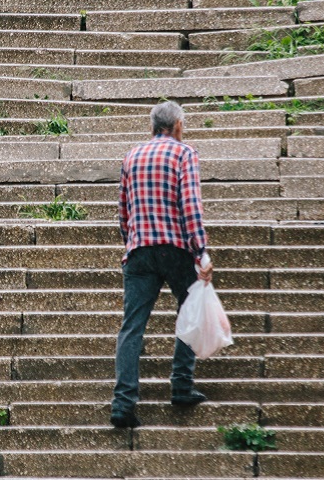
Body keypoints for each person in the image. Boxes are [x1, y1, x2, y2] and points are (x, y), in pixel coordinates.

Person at [111, 100, 213, 429]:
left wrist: (133, 241)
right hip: (175, 248)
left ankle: (123, 404)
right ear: (178, 125)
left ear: (153, 125)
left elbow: (123, 209)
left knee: (132, 327)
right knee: (189, 308)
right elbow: (191, 207)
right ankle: (181, 385)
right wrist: (202, 253)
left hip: (140, 250)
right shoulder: (185, 154)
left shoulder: (132, 155)